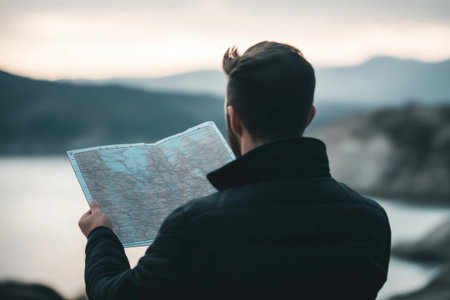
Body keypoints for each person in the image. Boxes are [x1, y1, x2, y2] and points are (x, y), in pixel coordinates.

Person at [79, 41, 391, 300]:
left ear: (234, 119)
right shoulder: (371, 220)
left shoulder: (195, 225)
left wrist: (101, 235)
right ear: (309, 116)